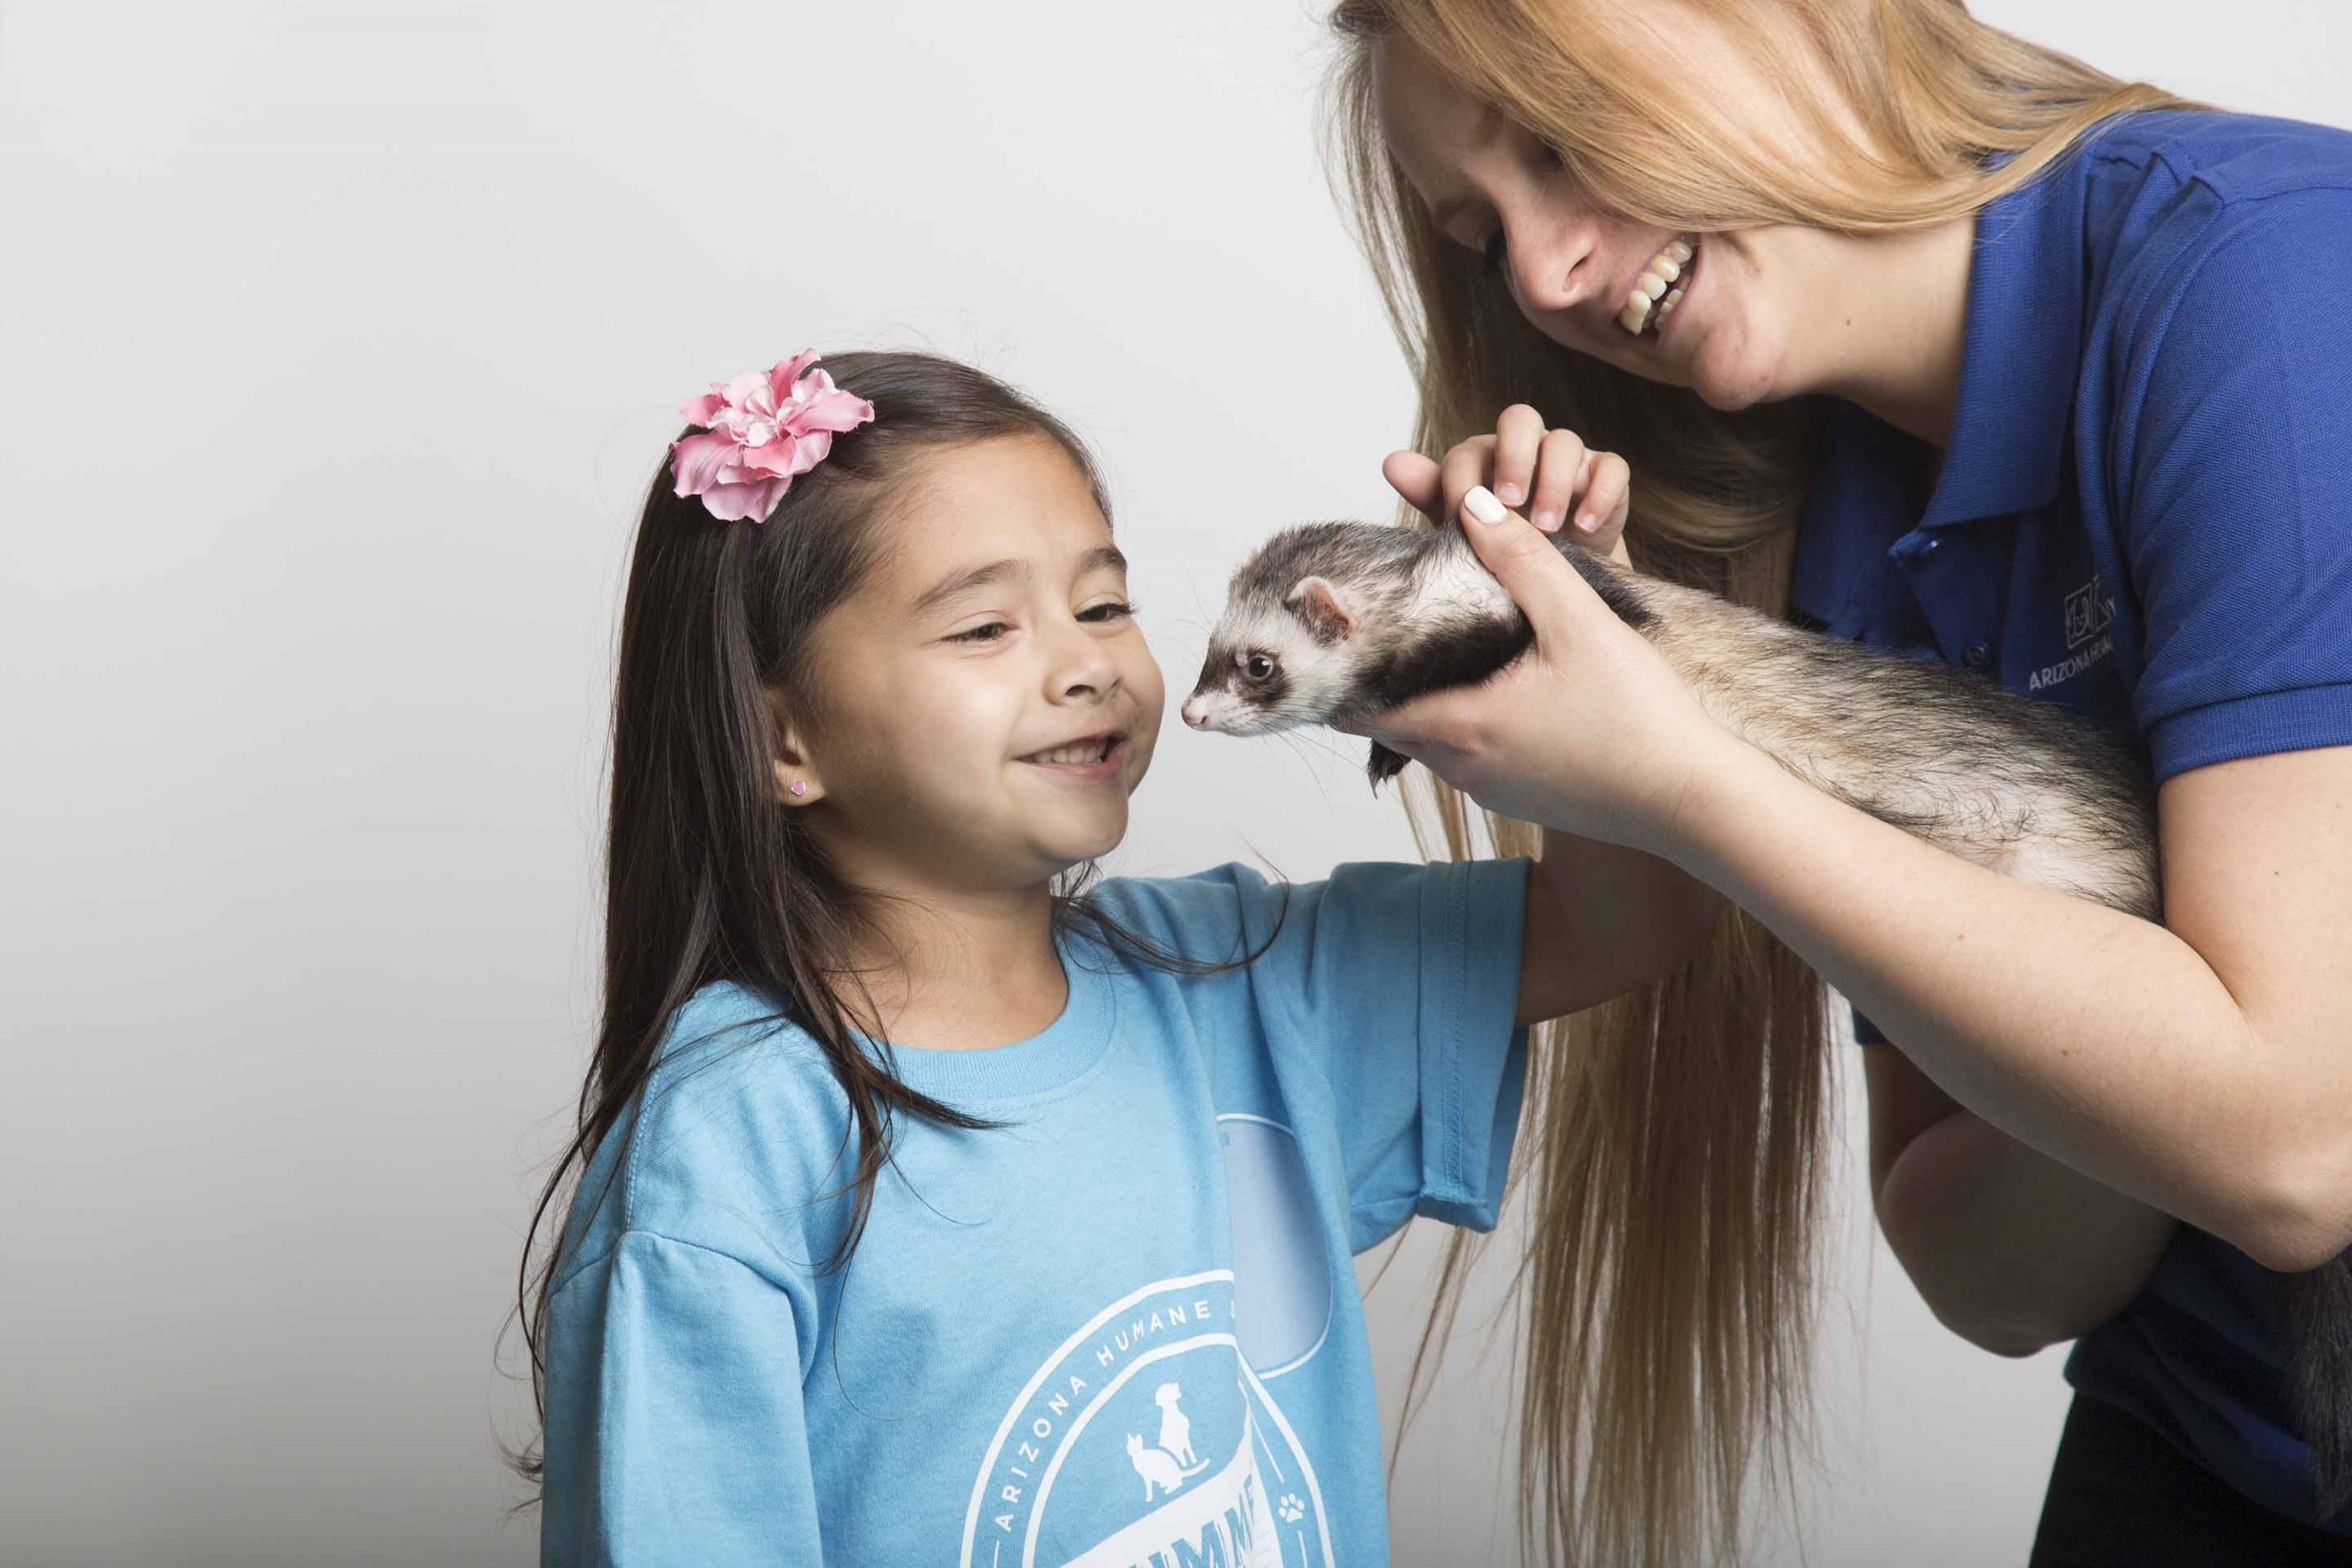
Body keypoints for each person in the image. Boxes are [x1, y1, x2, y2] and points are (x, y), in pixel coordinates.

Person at [1327, 2, 2352, 1562]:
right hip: (2208, 1434)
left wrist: (1688, 783)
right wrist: (1677, 671)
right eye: (1483, 236)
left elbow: (2297, 1157)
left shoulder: (2269, 284)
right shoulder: (1824, 517)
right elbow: (1992, 1275)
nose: (1542, 276)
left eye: (1561, 137)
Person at [510, 349, 1706, 1564]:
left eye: (1102, 605)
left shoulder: (1237, 981)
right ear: (784, 740)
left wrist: (1571, 620)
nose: (1086, 662)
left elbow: (1638, 923)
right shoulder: (732, 1149)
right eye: (985, 625)